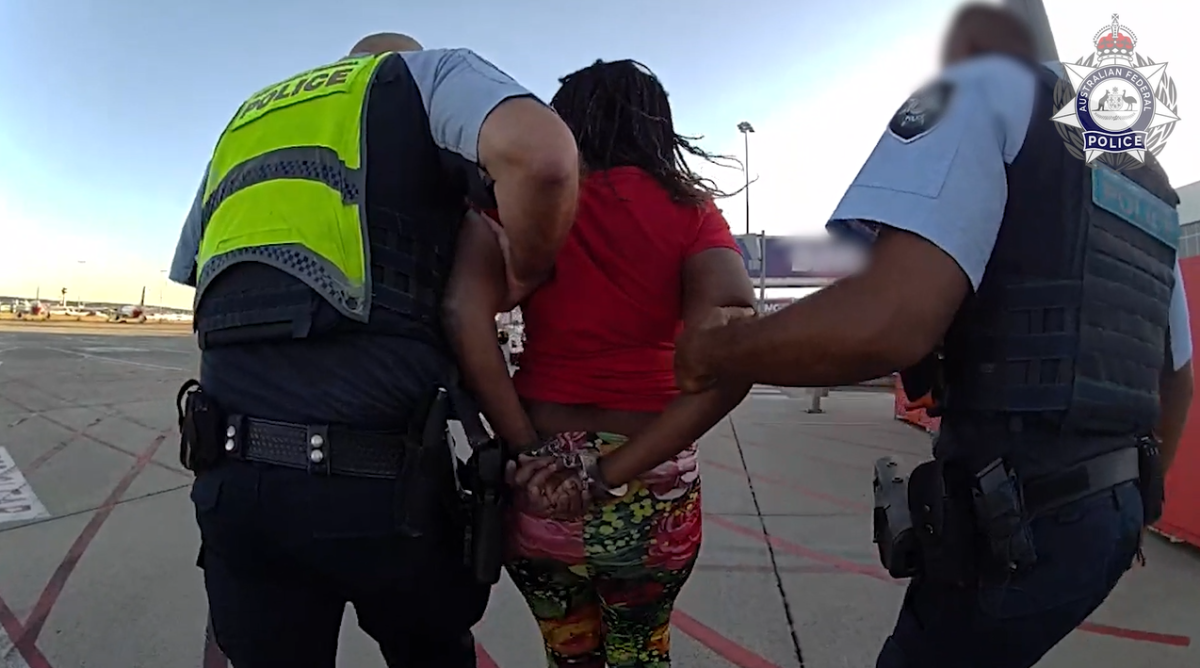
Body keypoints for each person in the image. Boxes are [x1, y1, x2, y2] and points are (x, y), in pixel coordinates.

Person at [672, 5, 1194, 668]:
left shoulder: (986, 89)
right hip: (1108, 514)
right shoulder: (1142, 175)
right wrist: (1131, 506)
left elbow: (889, 320)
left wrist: (715, 349)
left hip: (1017, 519)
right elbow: (1176, 377)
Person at [167, 33, 579, 668]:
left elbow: (197, 272)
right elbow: (543, 159)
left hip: (232, 482)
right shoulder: (422, 76)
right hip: (383, 494)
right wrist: (525, 272)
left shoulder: (246, 121)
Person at [442, 59, 757, 668]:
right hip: (652, 473)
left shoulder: (516, 205)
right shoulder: (692, 213)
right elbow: (736, 347)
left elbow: (463, 316)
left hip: (535, 475)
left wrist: (528, 452)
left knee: (569, 653)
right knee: (640, 651)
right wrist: (607, 473)